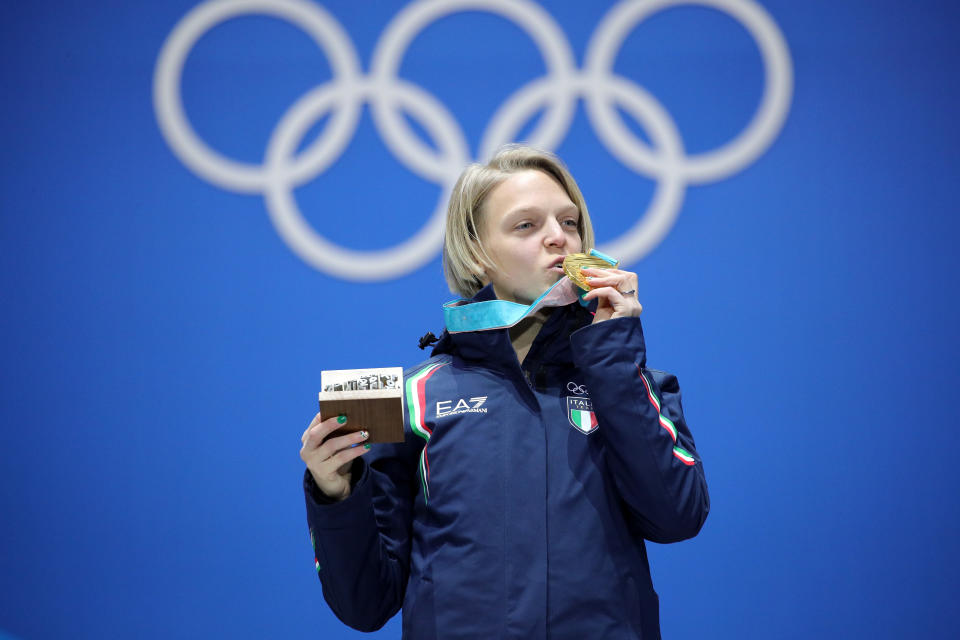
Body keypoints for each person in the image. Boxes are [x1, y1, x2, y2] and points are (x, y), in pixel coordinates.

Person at [300, 145, 709, 639]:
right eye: (526, 226)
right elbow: (365, 604)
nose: (559, 237)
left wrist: (614, 357)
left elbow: (677, 519)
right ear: (477, 253)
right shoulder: (410, 397)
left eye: (570, 222)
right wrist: (336, 493)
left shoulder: (632, 381)